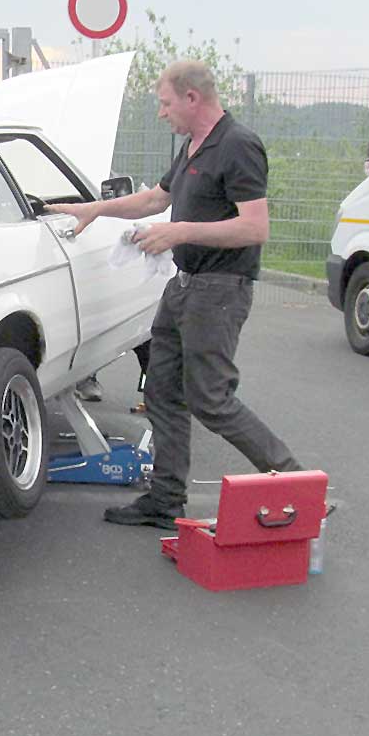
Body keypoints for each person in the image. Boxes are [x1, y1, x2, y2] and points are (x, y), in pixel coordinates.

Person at [53, 60, 302, 529]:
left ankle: (295, 482)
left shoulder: (239, 145)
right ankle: (166, 501)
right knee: (163, 391)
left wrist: (178, 232)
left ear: (192, 98)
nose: (161, 113)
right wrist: (96, 209)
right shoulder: (193, 146)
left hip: (220, 290)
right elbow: (156, 199)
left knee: (211, 399)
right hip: (184, 285)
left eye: (165, 103)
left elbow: (255, 227)